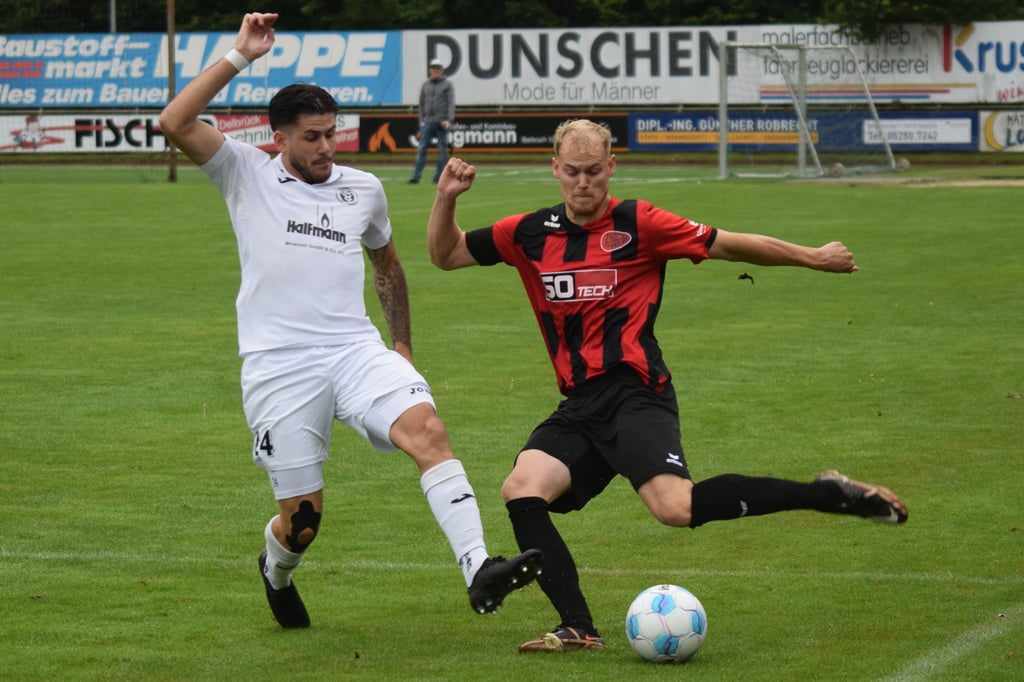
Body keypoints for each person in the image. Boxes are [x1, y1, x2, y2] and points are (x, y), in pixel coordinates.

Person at [426, 118, 909, 653]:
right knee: (522, 488)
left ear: (611, 168)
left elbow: (730, 245)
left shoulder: (640, 222)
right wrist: (446, 198)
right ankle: (579, 627)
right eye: (572, 172)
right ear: (555, 169)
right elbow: (445, 255)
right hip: (581, 405)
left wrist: (814, 257)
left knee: (674, 509)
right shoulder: (528, 233)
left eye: (593, 172)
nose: (583, 183)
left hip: (637, 394)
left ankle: (827, 494)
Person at [158, 12, 541, 630]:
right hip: (279, 364)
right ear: (279, 136)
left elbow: (387, 264)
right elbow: (174, 123)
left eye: (332, 134)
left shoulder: (362, 189)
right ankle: (275, 570)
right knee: (302, 522)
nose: (326, 148)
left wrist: (402, 345)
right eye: (312, 137)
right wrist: (240, 56)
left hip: (355, 350)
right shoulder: (243, 171)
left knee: (429, 432)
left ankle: (479, 568)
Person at [408, 59, 455, 184]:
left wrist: (449, 120)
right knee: (422, 149)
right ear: (430, 70)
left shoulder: (447, 84)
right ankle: (416, 176)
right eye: (433, 68)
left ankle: (440, 176)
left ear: (442, 70)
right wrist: (421, 120)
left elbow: (451, 103)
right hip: (428, 121)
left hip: (442, 122)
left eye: (438, 68)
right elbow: (421, 104)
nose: (436, 71)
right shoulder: (426, 85)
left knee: (442, 151)